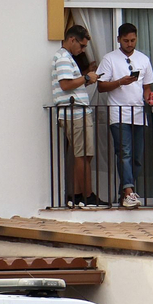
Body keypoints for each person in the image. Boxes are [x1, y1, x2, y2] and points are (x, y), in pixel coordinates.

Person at [96, 22, 153, 209]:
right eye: (126, 40)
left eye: (132, 40)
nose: (130, 44)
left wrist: (150, 99)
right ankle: (129, 191)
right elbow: (101, 86)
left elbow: (147, 88)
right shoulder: (109, 59)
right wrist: (120, 82)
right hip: (118, 112)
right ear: (119, 40)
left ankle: (125, 193)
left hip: (138, 113)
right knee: (125, 153)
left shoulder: (144, 59)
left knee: (137, 156)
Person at [52, 24, 106, 209]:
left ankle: (76, 195)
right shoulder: (63, 58)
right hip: (75, 113)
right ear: (72, 39)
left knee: (82, 156)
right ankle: (87, 196)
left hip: (76, 112)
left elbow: (70, 83)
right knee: (83, 155)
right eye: (82, 46)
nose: (83, 50)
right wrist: (87, 78)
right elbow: (65, 85)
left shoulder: (67, 58)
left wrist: (85, 76)